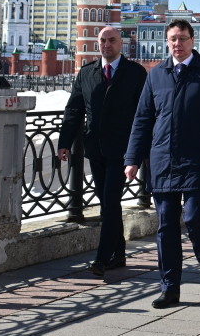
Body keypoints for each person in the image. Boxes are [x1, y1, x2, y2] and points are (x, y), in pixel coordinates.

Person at [125, 20, 200, 308]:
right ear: (167, 41)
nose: (177, 44)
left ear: (193, 41)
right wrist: (132, 159)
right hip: (162, 161)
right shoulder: (157, 75)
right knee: (167, 227)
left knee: (196, 217)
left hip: (198, 160)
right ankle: (170, 287)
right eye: (172, 39)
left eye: (182, 38)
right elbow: (143, 119)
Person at [57, 26, 147, 277]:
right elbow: (74, 110)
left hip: (123, 151)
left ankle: (102, 257)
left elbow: (145, 113)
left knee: (109, 203)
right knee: (108, 202)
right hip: (95, 149)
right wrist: (65, 143)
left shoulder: (136, 73)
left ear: (122, 44)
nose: (106, 45)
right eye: (102, 41)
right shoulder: (87, 73)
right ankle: (118, 253)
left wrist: (141, 150)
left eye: (112, 41)